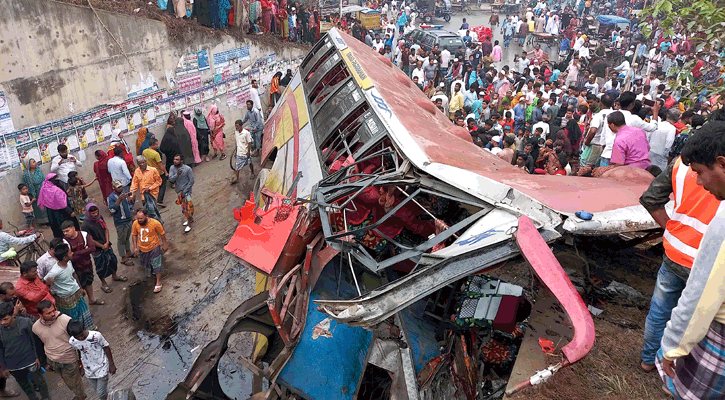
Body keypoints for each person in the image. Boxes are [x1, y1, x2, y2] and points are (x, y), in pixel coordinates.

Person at [656, 124, 725, 399]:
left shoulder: (722, 221)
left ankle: (649, 360)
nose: (697, 181)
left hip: (677, 254)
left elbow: (700, 295)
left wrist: (673, 347)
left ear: (721, 164)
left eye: (698, 171)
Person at [32, 300, 87, 399]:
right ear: (40, 314)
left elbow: (78, 340)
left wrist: (81, 361)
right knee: (67, 380)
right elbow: (38, 346)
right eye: (48, 313)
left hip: (69, 359)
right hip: (52, 361)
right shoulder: (35, 327)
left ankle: (81, 396)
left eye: (54, 310)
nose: (53, 314)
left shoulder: (66, 320)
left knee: (74, 382)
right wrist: (44, 363)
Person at [0, 303, 49, 400]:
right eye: (0, 320)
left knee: (40, 381)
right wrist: (4, 367)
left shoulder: (25, 323)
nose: (2, 323)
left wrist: (37, 357)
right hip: (14, 366)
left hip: (31, 361)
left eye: (5, 319)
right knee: (25, 386)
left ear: (12, 315)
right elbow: (1, 349)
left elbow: (35, 342)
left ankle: (46, 398)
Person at [82, 204, 127, 293]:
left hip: (106, 244)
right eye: (93, 213)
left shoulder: (100, 218)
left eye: (96, 212)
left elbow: (106, 229)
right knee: (101, 266)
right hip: (96, 249)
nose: (95, 214)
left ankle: (115, 276)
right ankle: (104, 283)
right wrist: (101, 246)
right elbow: (90, 239)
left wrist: (106, 242)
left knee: (113, 260)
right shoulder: (85, 225)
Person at [67, 319, 116, 400]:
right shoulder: (72, 341)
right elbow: (79, 351)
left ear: (84, 329)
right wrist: (81, 365)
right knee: (98, 390)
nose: (80, 338)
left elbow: (106, 347)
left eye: (81, 335)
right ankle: (108, 397)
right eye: (77, 337)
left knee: (101, 393)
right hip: (89, 370)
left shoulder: (96, 335)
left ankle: (109, 397)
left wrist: (111, 364)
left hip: (102, 367)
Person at [61, 221, 103, 307]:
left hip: (87, 265)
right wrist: (85, 250)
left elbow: (92, 249)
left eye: (67, 231)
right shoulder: (65, 241)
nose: (66, 233)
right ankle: (84, 308)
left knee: (89, 282)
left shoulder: (84, 235)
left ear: (73, 228)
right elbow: (70, 258)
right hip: (76, 268)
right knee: (79, 288)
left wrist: (76, 253)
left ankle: (92, 300)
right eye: (64, 232)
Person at [132, 209, 168, 294]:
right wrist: (135, 247)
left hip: (154, 247)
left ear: (146, 216)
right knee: (146, 264)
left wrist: (164, 244)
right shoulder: (135, 224)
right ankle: (153, 274)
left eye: (141, 218)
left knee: (156, 264)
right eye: (138, 218)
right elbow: (134, 235)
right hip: (143, 249)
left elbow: (162, 234)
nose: (139, 220)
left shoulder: (155, 223)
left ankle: (158, 281)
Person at [107, 181, 135, 267]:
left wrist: (131, 215)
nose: (120, 188)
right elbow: (112, 210)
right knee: (121, 240)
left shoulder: (124, 194)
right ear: (113, 187)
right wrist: (119, 200)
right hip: (120, 222)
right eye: (118, 187)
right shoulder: (111, 197)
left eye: (121, 187)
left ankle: (128, 252)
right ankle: (123, 257)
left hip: (128, 219)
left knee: (126, 237)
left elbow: (127, 206)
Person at [130, 155, 164, 224]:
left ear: (146, 162)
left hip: (153, 194)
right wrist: (132, 195)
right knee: (150, 212)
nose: (142, 164)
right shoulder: (137, 172)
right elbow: (134, 184)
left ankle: (158, 224)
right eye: (140, 163)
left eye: (143, 162)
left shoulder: (153, 170)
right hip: (143, 196)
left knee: (152, 211)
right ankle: (157, 224)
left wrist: (150, 188)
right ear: (138, 164)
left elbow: (159, 181)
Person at [168, 155, 195, 233]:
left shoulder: (187, 169)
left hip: (187, 192)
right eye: (174, 159)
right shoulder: (172, 168)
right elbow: (171, 179)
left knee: (185, 209)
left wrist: (185, 191)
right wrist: (177, 174)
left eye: (177, 159)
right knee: (188, 207)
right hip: (179, 192)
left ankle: (189, 224)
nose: (175, 161)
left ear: (181, 161)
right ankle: (190, 218)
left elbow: (191, 181)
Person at [143, 138, 168, 208]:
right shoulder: (156, 154)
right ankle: (159, 200)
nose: (158, 146)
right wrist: (165, 172)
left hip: (149, 172)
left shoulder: (144, 151)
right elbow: (160, 165)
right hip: (158, 172)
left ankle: (153, 200)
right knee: (162, 185)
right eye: (156, 144)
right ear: (153, 145)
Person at [21, 159, 48, 225]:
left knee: (46, 206)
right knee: (38, 208)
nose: (35, 163)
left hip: (42, 191)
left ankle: (48, 221)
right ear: (29, 165)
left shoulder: (38, 170)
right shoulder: (26, 174)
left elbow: (43, 180)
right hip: (34, 193)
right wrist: (31, 194)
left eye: (35, 161)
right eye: (33, 162)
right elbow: (26, 184)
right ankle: (42, 222)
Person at [232, 120, 255, 185]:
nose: (236, 127)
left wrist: (248, 152)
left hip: (245, 152)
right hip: (239, 152)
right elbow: (236, 142)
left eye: (237, 126)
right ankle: (236, 178)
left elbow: (249, 142)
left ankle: (252, 173)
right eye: (235, 126)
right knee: (237, 166)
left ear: (241, 125)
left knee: (250, 163)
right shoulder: (236, 133)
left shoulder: (246, 133)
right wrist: (236, 151)